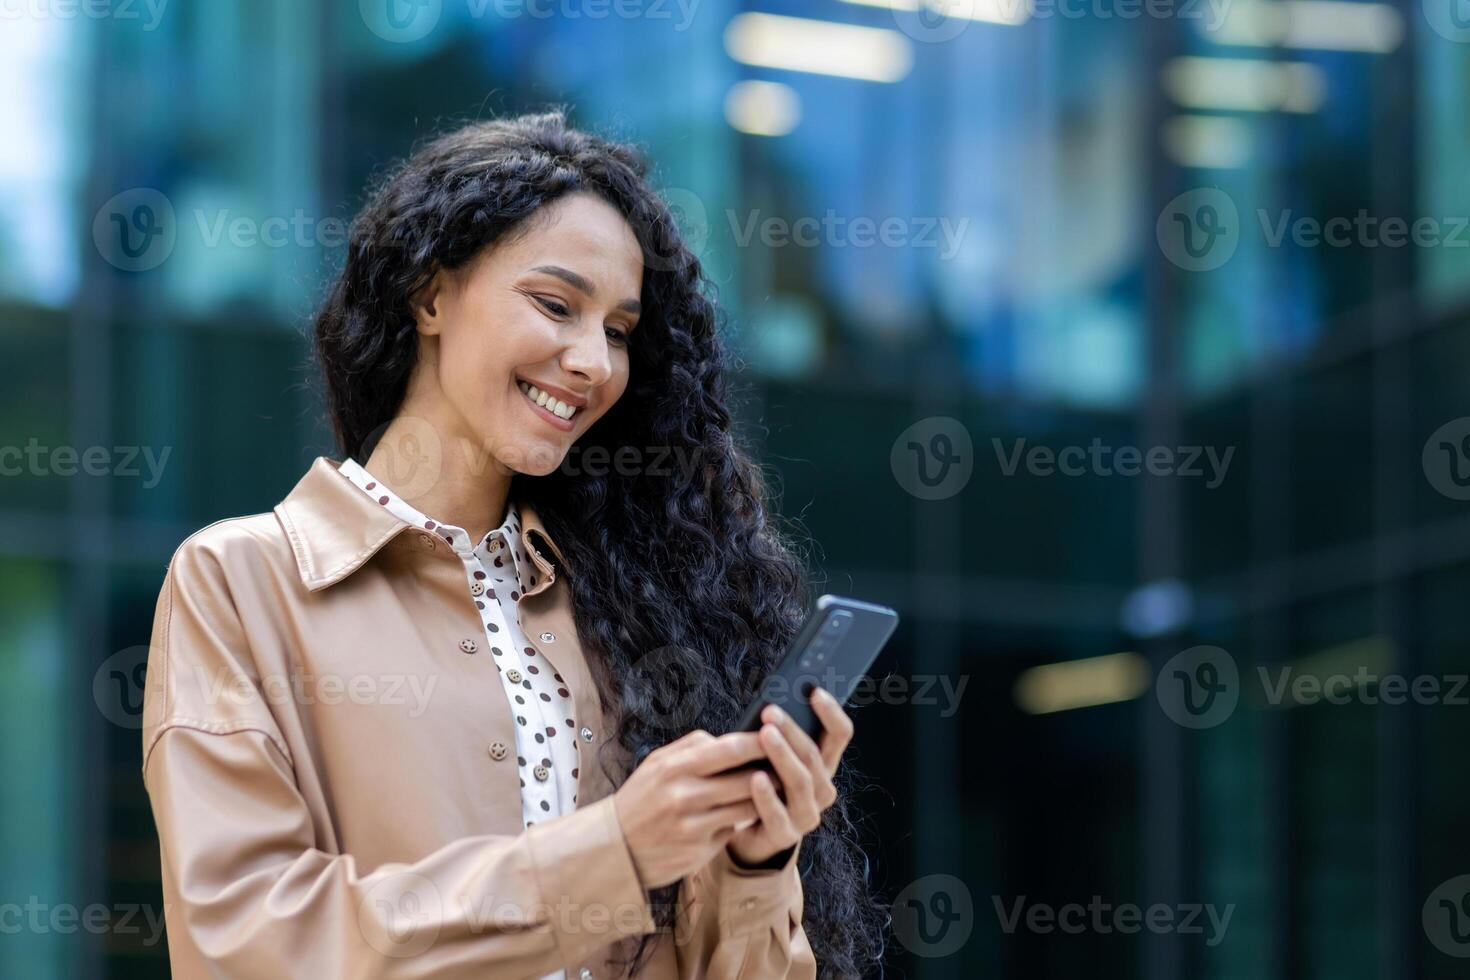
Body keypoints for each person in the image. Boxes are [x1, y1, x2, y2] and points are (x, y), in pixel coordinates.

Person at [140, 110, 885, 979]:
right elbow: (247, 943)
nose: (593, 362)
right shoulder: (241, 581)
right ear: (429, 294)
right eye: (555, 304)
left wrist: (752, 863)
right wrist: (613, 853)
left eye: (617, 330)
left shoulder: (626, 608)